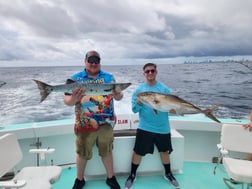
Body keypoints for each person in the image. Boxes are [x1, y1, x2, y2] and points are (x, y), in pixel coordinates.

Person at [64, 50, 123, 189]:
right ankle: (79, 179)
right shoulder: (75, 78)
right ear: (85, 62)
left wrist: (118, 94)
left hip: (106, 123)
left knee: (107, 150)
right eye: (91, 60)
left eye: (97, 60)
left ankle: (110, 177)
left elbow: (119, 97)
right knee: (82, 151)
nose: (93, 63)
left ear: (100, 62)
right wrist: (74, 98)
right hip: (84, 124)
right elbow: (67, 101)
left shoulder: (109, 77)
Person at [125, 63, 179, 189]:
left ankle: (168, 174)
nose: (150, 73)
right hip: (145, 127)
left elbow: (169, 105)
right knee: (138, 152)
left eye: (152, 71)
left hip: (163, 127)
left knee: (164, 152)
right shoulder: (139, 91)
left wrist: (173, 109)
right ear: (144, 74)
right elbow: (134, 110)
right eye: (147, 71)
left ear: (156, 72)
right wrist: (138, 103)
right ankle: (132, 174)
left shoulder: (164, 89)